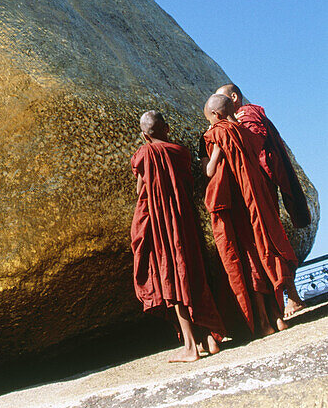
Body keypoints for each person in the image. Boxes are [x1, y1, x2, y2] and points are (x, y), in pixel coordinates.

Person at [203, 94, 305, 329]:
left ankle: (262, 320)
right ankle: (278, 317)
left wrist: (213, 153)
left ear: (216, 116)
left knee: (249, 259)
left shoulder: (216, 134)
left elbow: (210, 171)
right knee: (267, 251)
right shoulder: (247, 133)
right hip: (259, 201)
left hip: (238, 203)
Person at [131, 110, 225, 361]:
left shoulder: (143, 154)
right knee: (193, 272)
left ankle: (190, 347)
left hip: (161, 224)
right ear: (168, 129)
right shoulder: (180, 152)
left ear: (144, 135)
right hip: (185, 220)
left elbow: (141, 189)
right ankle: (208, 338)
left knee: (171, 277)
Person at [214, 83, 311, 229]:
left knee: (267, 216)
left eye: (222, 99)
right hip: (260, 170)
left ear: (234, 97)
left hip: (263, 170)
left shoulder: (246, 112)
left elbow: (254, 140)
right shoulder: (238, 116)